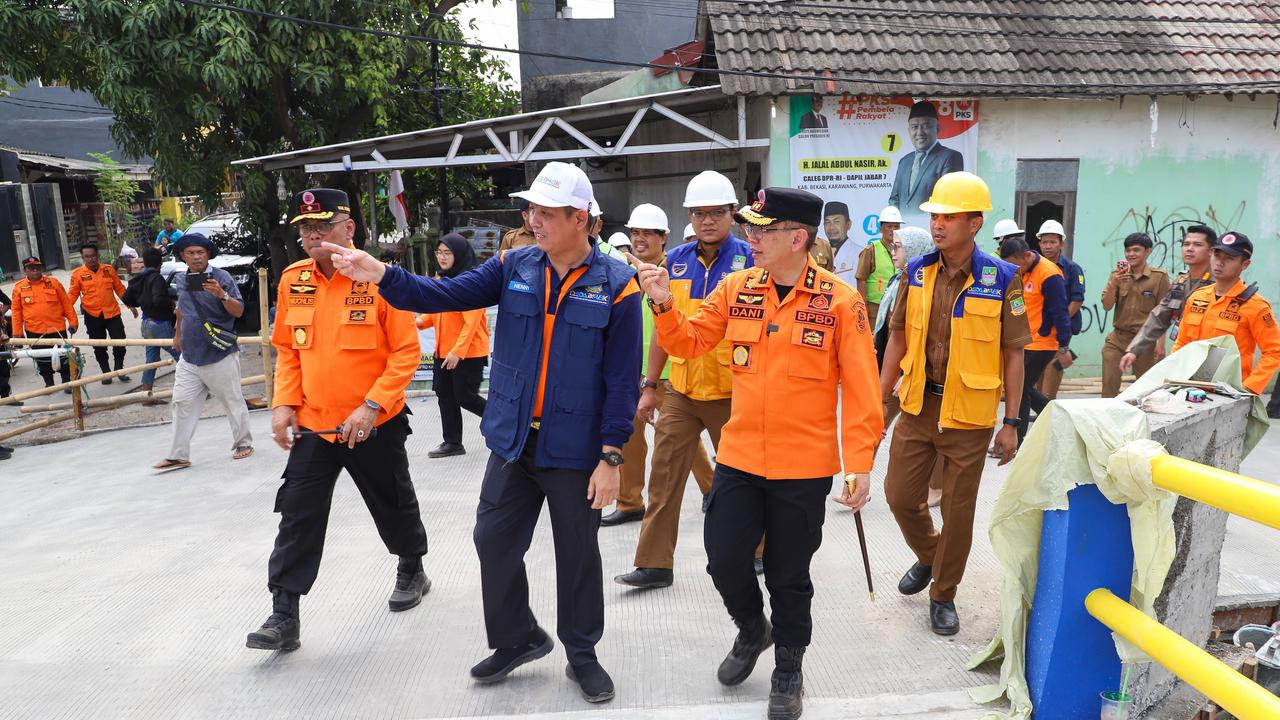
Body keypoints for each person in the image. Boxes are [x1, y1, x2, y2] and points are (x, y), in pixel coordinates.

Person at [324, 161, 640, 704]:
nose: (533, 220)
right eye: (531, 210)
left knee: (577, 554)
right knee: (492, 541)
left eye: (546, 212)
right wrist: (382, 275)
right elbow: (445, 294)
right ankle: (519, 638)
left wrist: (611, 457)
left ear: (579, 218)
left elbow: (621, 380)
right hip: (514, 441)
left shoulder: (617, 285)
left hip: (575, 448)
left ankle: (582, 653)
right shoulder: (515, 265)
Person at [633, 186, 882, 720]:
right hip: (741, 457)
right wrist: (663, 302)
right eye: (750, 228)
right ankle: (752, 629)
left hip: (803, 466)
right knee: (724, 560)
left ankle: (788, 667)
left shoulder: (842, 301)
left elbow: (863, 389)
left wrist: (859, 463)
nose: (751, 237)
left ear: (797, 238)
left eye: (762, 230)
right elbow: (689, 343)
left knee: (789, 575)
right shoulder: (737, 287)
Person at [246, 188, 430, 653]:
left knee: (392, 500)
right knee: (297, 514)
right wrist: (283, 403)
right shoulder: (294, 280)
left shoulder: (380, 279)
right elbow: (288, 350)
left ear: (348, 229)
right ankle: (284, 614)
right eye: (305, 228)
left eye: (322, 226)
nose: (312, 235)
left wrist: (372, 405)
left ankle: (412, 566)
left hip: (374, 422)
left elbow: (406, 352)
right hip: (315, 424)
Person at [880, 172, 1030, 636]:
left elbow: (1014, 353)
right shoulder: (916, 272)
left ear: (975, 223)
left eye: (948, 217)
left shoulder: (1002, 279)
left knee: (959, 511)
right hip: (918, 404)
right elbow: (897, 337)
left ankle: (943, 593)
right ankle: (931, 555)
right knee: (899, 496)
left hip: (969, 416)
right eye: (935, 216)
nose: (938, 225)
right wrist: (879, 400)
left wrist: (1012, 422)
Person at [612, 171, 751, 588]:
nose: (707, 220)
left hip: (734, 391)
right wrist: (650, 386)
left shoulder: (752, 260)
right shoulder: (674, 262)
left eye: (716, 213)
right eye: (698, 213)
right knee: (664, 477)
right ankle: (654, 564)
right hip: (682, 389)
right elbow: (663, 329)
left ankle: (758, 550)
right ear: (689, 216)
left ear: (732, 214)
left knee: (745, 480)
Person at [609, 203, 715, 531]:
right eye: (635, 233)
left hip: (668, 373)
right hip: (631, 370)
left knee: (682, 441)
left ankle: (712, 490)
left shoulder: (678, 271)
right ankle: (629, 502)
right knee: (629, 437)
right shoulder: (626, 273)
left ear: (663, 237)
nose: (639, 239)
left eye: (647, 233)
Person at [151, 233, 253, 471]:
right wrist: (178, 334)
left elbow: (238, 311)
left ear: (208, 255)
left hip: (219, 353)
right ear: (183, 256)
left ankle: (243, 443)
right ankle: (178, 455)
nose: (196, 257)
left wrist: (221, 295)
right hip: (190, 355)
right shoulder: (182, 278)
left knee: (232, 401)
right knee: (181, 403)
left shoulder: (222, 277)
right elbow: (182, 309)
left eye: (200, 252)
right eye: (190, 253)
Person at [1172, 231, 1280, 395]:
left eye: (1229, 258)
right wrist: (1173, 374)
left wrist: (1249, 388)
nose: (1220, 263)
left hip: (1229, 393)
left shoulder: (1256, 306)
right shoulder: (1197, 298)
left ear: (1245, 264)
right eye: (1217, 255)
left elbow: (1274, 351)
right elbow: (1182, 342)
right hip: (1189, 388)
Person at [417, 232, 490, 458]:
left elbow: (472, 322)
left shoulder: (471, 282)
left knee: (465, 397)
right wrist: (420, 322)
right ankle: (452, 443)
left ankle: (506, 425)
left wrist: (458, 352)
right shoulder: (442, 280)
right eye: (439, 252)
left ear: (459, 254)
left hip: (468, 353)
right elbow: (438, 311)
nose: (442, 257)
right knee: (445, 395)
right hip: (443, 350)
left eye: (447, 253)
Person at [998, 235, 1073, 444]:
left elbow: (1060, 311)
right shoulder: (1020, 272)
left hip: (1042, 343)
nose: (1012, 270)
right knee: (1024, 388)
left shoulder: (1049, 274)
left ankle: (1017, 439)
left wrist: (1064, 345)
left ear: (1026, 256)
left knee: (1020, 389)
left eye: (1014, 265)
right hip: (1023, 341)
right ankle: (1059, 418)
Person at [1120, 225, 1215, 379]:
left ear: (1211, 251)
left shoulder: (1218, 284)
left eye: (1197, 245)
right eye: (1186, 244)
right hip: (1184, 355)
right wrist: (1134, 350)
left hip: (1210, 359)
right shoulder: (1181, 282)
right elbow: (1159, 317)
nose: (1189, 249)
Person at [1100, 233, 1170, 397]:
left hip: (1145, 341)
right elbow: (1107, 306)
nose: (1131, 254)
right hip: (1117, 339)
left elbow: (1164, 312)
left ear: (1148, 251)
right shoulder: (1117, 275)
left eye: (1136, 250)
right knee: (1109, 385)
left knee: (1148, 390)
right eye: (1128, 250)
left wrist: (1160, 344)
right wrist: (1113, 284)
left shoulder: (1159, 277)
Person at [69, 244, 136, 382]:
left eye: (93, 256)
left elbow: (120, 289)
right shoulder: (77, 274)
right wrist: (64, 312)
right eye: (87, 256)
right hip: (92, 315)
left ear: (97, 255)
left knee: (120, 342)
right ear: (82, 258)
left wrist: (130, 305)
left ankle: (119, 370)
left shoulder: (108, 270)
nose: (91, 259)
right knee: (99, 347)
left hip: (112, 313)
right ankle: (106, 373)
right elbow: (72, 295)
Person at [1034, 220, 1086, 400]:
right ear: (1039, 243)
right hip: (1038, 330)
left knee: (1053, 369)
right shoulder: (1034, 268)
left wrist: (1060, 322)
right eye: (1044, 242)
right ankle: (1039, 406)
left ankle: (1048, 403)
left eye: (1052, 242)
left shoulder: (1072, 269)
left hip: (1059, 331)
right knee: (1036, 370)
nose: (1048, 246)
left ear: (1061, 244)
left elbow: (1077, 299)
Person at [10, 257, 77, 388]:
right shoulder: (19, 288)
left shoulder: (54, 283)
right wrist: (18, 334)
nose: (35, 270)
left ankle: (66, 382)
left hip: (57, 328)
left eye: (37, 267)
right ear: (25, 270)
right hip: (34, 331)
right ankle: (49, 384)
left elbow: (66, 304)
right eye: (31, 268)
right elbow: (16, 312)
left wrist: (73, 322)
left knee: (63, 356)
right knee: (41, 359)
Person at [887, 101, 964, 213]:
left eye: (926, 126)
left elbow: (947, 200)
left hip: (931, 223)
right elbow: (894, 199)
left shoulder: (950, 157)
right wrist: (895, 220)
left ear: (937, 128)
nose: (920, 132)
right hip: (903, 224)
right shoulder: (904, 161)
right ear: (909, 130)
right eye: (915, 127)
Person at [121, 248, 180, 393]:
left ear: (145, 262)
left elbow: (126, 298)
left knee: (151, 361)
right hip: (160, 324)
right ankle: (193, 390)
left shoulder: (139, 278)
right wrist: (171, 304)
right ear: (160, 263)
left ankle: (146, 393)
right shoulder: (157, 278)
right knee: (183, 356)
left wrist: (142, 303)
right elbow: (158, 300)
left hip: (146, 323)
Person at [854, 206, 904, 327]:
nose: (893, 230)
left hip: (896, 307)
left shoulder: (903, 250)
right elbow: (861, 279)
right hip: (875, 309)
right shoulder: (871, 250)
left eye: (896, 226)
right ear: (881, 228)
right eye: (889, 226)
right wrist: (863, 307)